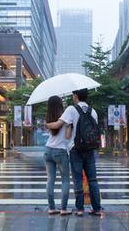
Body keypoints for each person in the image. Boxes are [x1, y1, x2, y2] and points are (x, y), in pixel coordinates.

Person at [46, 88, 103, 217]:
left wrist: (48, 124)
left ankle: (80, 209)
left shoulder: (71, 109)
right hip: (89, 150)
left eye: (73, 95)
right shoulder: (93, 111)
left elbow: (59, 125)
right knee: (93, 180)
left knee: (77, 180)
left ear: (76, 96)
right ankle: (97, 209)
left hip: (75, 149)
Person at [44, 96, 72, 215]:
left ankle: (51, 208)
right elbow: (67, 137)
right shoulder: (65, 117)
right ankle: (63, 209)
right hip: (60, 151)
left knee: (50, 180)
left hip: (48, 150)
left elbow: (53, 127)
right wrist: (70, 126)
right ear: (60, 105)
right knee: (65, 180)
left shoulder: (48, 118)